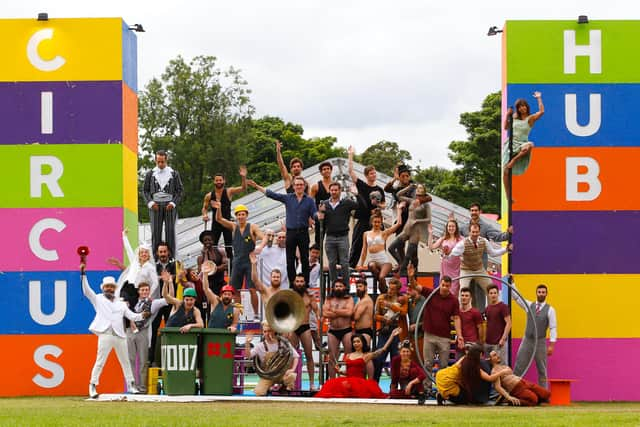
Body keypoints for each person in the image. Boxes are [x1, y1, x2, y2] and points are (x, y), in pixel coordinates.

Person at [81, 264, 149, 398]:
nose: (109, 289)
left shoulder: (121, 303)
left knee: (126, 362)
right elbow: (87, 291)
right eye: (107, 287)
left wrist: (142, 315)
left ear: (114, 289)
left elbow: (131, 316)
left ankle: (131, 385)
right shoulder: (99, 299)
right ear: (103, 288)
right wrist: (83, 275)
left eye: (112, 287)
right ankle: (93, 385)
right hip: (106, 334)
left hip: (119, 335)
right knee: (100, 361)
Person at [249, 177, 316, 286]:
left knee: (304, 259)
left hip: (303, 232)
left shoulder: (309, 200)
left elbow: (314, 214)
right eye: (297, 185)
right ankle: (292, 283)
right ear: (293, 186)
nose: (299, 186)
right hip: (291, 232)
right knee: (290, 260)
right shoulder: (288, 198)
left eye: (301, 185)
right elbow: (272, 194)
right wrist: (257, 186)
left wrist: (318, 217)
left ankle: (305, 283)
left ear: (304, 186)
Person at [407, 262, 462, 392]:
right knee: (428, 363)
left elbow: (456, 318)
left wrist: (459, 336)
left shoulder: (453, 300)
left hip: (445, 337)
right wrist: (411, 277)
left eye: (447, 286)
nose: (444, 288)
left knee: (443, 365)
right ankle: (427, 389)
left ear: (450, 286)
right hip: (429, 335)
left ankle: (441, 389)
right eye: (443, 285)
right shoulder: (431, 293)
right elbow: (415, 286)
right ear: (440, 284)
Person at [212, 200, 264, 318]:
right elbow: (219, 219)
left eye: (242, 214)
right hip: (237, 261)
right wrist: (219, 208)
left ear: (246, 215)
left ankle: (256, 315)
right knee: (235, 291)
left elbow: (263, 236)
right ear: (236, 216)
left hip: (249, 262)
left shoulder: (252, 227)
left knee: (252, 289)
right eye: (238, 214)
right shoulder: (234, 226)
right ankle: (238, 315)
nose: (240, 216)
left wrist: (261, 246)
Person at [316, 329, 401, 399]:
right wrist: (339, 372)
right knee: (331, 385)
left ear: (362, 343)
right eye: (354, 342)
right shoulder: (348, 355)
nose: (356, 344)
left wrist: (392, 336)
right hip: (349, 381)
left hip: (360, 383)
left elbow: (383, 349)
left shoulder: (366, 356)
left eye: (358, 341)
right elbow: (348, 372)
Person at [449, 222, 511, 311]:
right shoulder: (463, 243)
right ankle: (462, 313)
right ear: (469, 232)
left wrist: (506, 249)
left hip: (479, 269)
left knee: (491, 288)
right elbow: (453, 253)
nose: (475, 234)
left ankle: (491, 312)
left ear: (479, 232)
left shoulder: (484, 241)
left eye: (476, 232)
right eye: (473, 232)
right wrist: (447, 254)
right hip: (466, 270)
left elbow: (493, 253)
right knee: (463, 291)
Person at [511, 280, 557, 389]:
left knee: (542, 368)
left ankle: (544, 393)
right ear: (536, 293)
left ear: (546, 294)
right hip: (527, 340)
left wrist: (551, 345)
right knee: (519, 365)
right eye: (539, 292)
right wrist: (512, 284)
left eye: (543, 292)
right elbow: (518, 298)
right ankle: (512, 390)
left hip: (540, 342)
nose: (541, 294)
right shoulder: (529, 305)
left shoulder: (550, 310)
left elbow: (553, 328)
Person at [347, 146, 386, 269]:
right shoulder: (362, 185)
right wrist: (351, 155)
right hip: (363, 219)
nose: (373, 175)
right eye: (371, 173)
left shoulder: (379, 189)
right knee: (357, 243)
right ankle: (351, 266)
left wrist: (378, 205)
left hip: (375, 219)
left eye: (374, 173)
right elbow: (351, 172)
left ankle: (381, 265)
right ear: (366, 175)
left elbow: (384, 205)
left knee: (380, 242)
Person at [126, 281, 168, 393]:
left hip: (143, 332)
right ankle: (133, 386)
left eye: (146, 290)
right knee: (131, 359)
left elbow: (167, 299)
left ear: (149, 291)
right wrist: (130, 320)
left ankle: (142, 388)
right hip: (129, 331)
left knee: (143, 361)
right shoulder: (132, 301)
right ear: (138, 291)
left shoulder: (153, 303)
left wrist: (167, 283)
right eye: (142, 290)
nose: (144, 292)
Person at [201, 166, 248, 263]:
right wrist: (205, 215)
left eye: (220, 180)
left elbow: (243, 188)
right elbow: (204, 208)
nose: (218, 182)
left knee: (229, 246)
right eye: (217, 180)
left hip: (226, 222)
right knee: (212, 246)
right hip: (216, 223)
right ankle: (213, 266)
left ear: (224, 181)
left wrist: (243, 177)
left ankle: (232, 268)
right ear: (214, 182)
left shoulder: (229, 191)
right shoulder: (209, 195)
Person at [435, 344, 508, 405]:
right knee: (463, 400)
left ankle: (443, 394)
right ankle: (443, 396)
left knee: (460, 391)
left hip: (441, 374)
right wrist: (503, 372)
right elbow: (489, 378)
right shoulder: (473, 366)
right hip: (447, 381)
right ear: (480, 354)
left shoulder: (464, 358)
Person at [503, 92, 545, 198]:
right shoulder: (515, 117)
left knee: (530, 145)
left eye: (524, 106)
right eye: (520, 107)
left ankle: (514, 160)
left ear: (526, 107)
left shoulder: (530, 119)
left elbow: (541, 111)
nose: (522, 108)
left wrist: (539, 98)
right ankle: (508, 195)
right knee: (505, 172)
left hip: (522, 144)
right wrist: (508, 115)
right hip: (511, 143)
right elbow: (506, 127)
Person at [143, 150, 183, 257]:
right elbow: (145, 190)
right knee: (156, 232)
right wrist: (150, 202)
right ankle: (156, 260)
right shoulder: (150, 174)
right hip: (155, 205)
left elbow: (179, 190)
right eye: (158, 162)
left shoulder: (174, 174)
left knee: (170, 231)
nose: (161, 164)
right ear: (155, 161)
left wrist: (173, 203)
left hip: (169, 205)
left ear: (166, 160)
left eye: (163, 162)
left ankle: (171, 259)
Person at [317, 182, 358, 284]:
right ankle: (335, 284)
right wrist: (320, 214)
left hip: (342, 237)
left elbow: (358, 205)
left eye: (336, 190)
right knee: (332, 263)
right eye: (332, 190)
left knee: (344, 263)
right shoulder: (324, 204)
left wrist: (356, 194)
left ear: (340, 191)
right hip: (330, 237)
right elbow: (318, 218)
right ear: (329, 191)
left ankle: (346, 285)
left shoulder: (346, 202)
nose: (334, 192)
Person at [356, 206, 403, 294]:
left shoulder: (384, 233)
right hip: (373, 260)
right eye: (375, 222)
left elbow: (398, 224)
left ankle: (384, 289)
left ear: (381, 223)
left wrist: (399, 210)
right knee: (371, 265)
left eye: (378, 222)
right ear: (371, 222)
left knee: (381, 277)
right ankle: (384, 288)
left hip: (384, 261)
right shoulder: (366, 234)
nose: (376, 224)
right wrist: (361, 265)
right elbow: (364, 250)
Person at [388, 183, 431, 276]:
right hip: (406, 230)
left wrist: (417, 221)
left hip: (416, 232)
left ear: (424, 191)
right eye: (417, 188)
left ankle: (408, 278)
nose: (418, 190)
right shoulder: (412, 201)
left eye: (420, 188)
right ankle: (402, 264)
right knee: (391, 248)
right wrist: (409, 187)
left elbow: (429, 219)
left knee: (409, 257)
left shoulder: (426, 205)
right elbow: (398, 195)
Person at [245, 322, 299, 396]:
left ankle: (283, 388)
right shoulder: (260, 346)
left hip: (281, 374)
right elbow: (248, 356)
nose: (267, 333)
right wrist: (247, 343)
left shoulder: (283, 343)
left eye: (269, 331)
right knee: (259, 392)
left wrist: (292, 369)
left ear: (274, 331)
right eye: (265, 331)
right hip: (268, 376)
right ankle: (268, 388)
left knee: (292, 376)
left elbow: (296, 356)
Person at [373, 278, 408, 382]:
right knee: (379, 358)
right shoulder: (381, 298)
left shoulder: (403, 299)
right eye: (389, 288)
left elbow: (404, 312)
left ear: (397, 290)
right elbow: (375, 316)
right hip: (384, 331)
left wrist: (390, 305)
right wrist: (383, 319)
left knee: (396, 360)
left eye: (393, 289)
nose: (390, 291)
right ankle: (375, 383)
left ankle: (394, 386)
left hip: (397, 331)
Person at [289, 274, 320, 390]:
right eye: (297, 281)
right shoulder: (290, 296)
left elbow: (317, 311)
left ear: (305, 282)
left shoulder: (309, 296)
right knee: (291, 356)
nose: (300, 284)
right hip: (292, 327)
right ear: (294, 283)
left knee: (309, 355)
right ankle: (289, 382)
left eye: (302, 281)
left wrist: (319, 323)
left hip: (305, 326)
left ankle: (312, 383)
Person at [322, 279, 355, 378]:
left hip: (346, 330)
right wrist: (341, 312)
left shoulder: (349, 299)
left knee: (348, 356)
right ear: (333, 288)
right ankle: (332, 381)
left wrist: (333, 311)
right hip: (333, 331)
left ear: (344, 288)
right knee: (332, 358)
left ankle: (348, 380)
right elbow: (324, 313)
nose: (338, 288)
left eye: (340, 286)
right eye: (336, 286)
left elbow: (349, 313)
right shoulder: (329, 299)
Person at [429, 219, 463, 297]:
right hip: (445, 267)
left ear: (456, 228)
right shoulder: (443, 238)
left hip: (456, 268)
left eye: (453, 226)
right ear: (447, 228)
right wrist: (430, 234)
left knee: (454, 290)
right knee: (444, 288)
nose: (451, 228)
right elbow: (431, 247)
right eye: (449, 226)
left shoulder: (460, 239)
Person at [203, 261, 239, 331]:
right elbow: (206, 289)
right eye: (225, 294)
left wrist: (233, 327)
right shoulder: (215, 302)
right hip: (211, 335)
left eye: (229, 294)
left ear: (232, 296)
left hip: (225, 337)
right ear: (221, 295)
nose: (227, 296)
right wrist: (205, 274)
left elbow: (235, 323)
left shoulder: (235, 309)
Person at [484, 284, 511, 366]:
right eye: (491, 293)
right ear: (488, 295)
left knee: (501, 366)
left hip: (499, 343)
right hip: (488, 343)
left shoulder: (503, 307)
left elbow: (509, 323)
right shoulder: (488, 308)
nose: (493, 295)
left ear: (498, 294)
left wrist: (503, 339)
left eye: (495, 293)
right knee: (490, 367)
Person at [197, 230, 228, 296]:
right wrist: (205, 255)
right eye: (205, 240)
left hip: (221, 283)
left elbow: (225, 266)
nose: (207, 242)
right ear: (202, 242)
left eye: (209, 240)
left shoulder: (221, 251)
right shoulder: (200, 257)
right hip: (209, 285)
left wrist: (212, 269)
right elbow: (202, 272)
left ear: (213, 241)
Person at [309, 160, 333, 245]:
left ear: (331, 170)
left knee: (333, 240)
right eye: (324, 169)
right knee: (319, 241)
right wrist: (310, 217)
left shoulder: (336, 185)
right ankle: (319, 258)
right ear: (321, 172)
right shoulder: (316, 186)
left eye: (328, 168)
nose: (326, 170)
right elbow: (309, 202)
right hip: (320, 217)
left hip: (332, 216)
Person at [458, 287, 484, 359]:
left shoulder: (475, 312)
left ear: (470, 298)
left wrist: (480, 343)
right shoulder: (457, 312)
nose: (464, 297)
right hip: (460, 344)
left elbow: (480, 328)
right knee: (459, 367)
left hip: (472, 344)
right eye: (462, 295)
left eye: (466, 296)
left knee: (472, 366)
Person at [353, 278, 374, 346]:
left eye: (360, 286)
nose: (358, 288)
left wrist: (346, 313)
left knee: (365, 355)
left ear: (365, 287)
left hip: (365, 331)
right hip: (358, 331)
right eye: (357, 287)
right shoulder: (360, 300)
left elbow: (356, 317)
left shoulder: (365, 300)